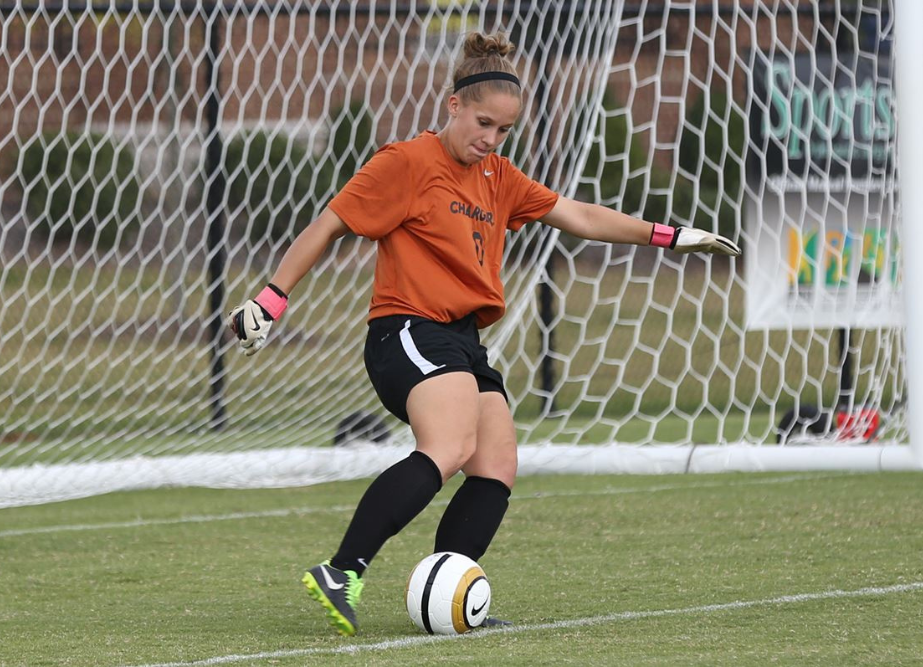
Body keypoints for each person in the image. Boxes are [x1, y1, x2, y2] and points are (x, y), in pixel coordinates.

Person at [227, 31, 740, 637]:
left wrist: (669, 234)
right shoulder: (407, 162)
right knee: (447, 447)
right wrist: (271, 296)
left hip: (464, 341)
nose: (490, 139)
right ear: (452, 105)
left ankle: (447, 595)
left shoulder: (499, 176)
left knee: (496, 463)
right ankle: (342, 570)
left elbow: (579, 215)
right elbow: (328, 225)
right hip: (409, 329)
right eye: (482, 122)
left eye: (503, 130)